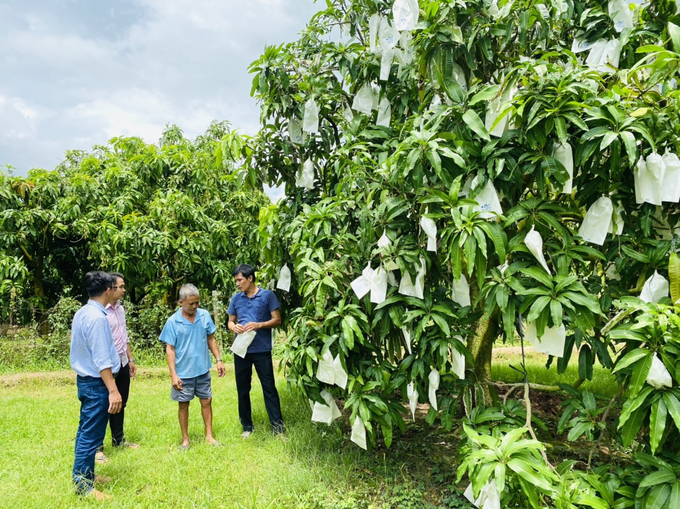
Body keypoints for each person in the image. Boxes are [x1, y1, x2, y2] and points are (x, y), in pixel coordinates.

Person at [70, 271, 122, 501]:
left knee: (86, 431)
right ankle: (83, 486)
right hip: (97, 383)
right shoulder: (98, 318)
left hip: (86, 381)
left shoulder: (83, 312)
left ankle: (87, 473)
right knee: (90, 435)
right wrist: (113, 389)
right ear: (108, 290)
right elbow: (101, 359)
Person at [160, 284, 226, 449]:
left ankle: (209, 436)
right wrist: (173, 375)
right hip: (183, 372)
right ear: (181, 302)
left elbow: (211, 339)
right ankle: (185, 439)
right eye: (191, 304)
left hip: (202, 369)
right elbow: (170, 349)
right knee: (183, 404)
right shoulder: (173, 322)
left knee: (207, 401)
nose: (195, 306)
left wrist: (218, 359)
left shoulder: (204, 316)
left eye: (197, 303)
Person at [227, 264, 284, 438]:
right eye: (236, 280)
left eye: (239, 280)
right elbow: (230, 321)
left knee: (269, 387)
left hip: (261, 350)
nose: (237, 284)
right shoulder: (236, 299)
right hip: (241, 350)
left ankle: (278, 428)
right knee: (242, 389)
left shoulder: (268, 296)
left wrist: (260, 325)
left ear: (250, 278)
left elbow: (277, 320)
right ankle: (247, 427)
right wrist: (233, 327)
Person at [95, 272, 138, 464]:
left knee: (121, 402)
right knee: (104, 404)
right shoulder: (100, 312)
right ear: (109, 289)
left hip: (122, 362)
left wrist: (130, 359)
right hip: (107, 365)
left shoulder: (120, 309)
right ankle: (97, 448)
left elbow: (124, 335)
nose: (123, 290)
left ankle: (118, 440)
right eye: (120, 286)